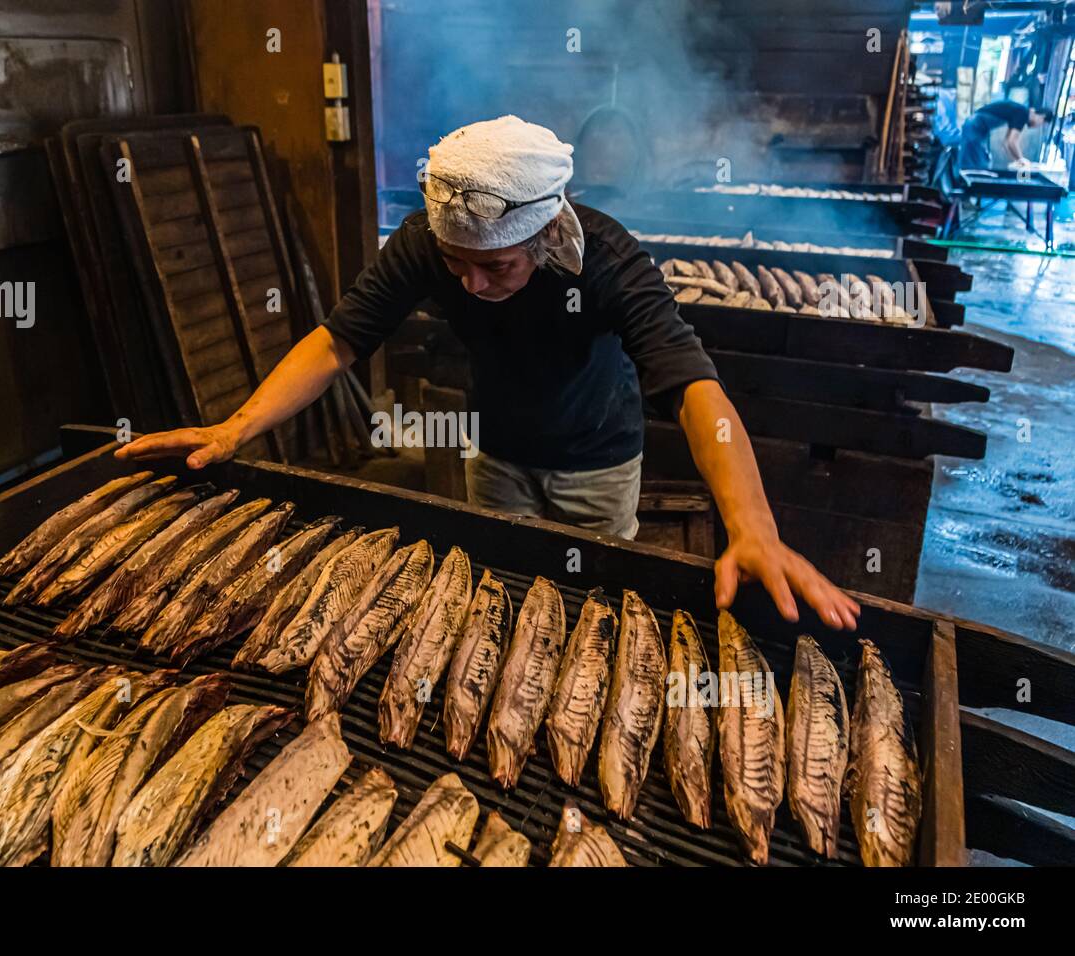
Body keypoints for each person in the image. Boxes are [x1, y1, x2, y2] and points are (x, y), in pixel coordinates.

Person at [118, 115, 860, 630]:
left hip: (598, 461)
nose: (469, 285)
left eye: (496, 266)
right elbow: (338, 341)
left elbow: (694, 386)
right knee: (495, 592)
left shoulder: (604, 258)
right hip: (498, 452)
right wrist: (237, 427)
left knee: (590, 606)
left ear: (542, 236)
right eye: (456, 265)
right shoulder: (425, 244)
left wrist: (752, 525)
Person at [959, 100, 1053, 171]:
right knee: (974, 166)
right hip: (975, 126)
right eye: (1042, 124)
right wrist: (1021, 159)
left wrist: (1017, 161)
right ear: (1042, 117)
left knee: (981, 163)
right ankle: (964, 194)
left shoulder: (1019, 112)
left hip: (977, 128)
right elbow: (1012, 142)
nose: (1038, 126)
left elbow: (1006, 142)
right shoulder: (1023, 113)